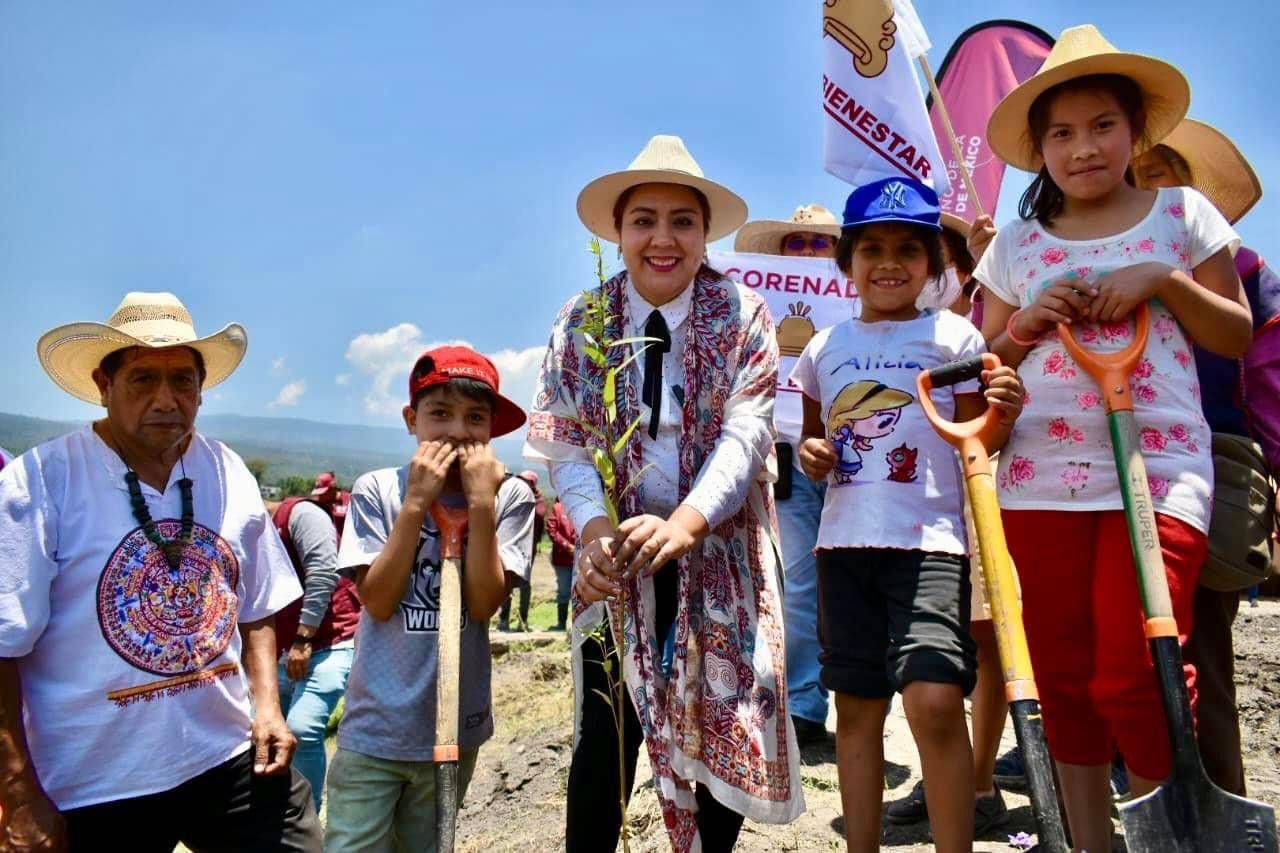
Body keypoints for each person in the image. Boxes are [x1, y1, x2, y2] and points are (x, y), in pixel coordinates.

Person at [975, 25, 1252, 853]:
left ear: (1137, 133)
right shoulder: (1015, 244)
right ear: (1038, 151)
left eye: (1101, 125)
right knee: (1062, 680)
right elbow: (986, 357)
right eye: (1060, 133)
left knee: (1135, 672)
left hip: (1157, 467)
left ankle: (1172, 837)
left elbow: (1234, 333)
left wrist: (1161, 279)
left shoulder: (1181, 214)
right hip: (1036, 477)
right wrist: (1024, 322)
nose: (1082, 147)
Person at [525, 134, 802, 852]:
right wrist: (592, 532)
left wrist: (686, 521)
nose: (662, 237)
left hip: (719, 555)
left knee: (724, 722)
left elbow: (747, 433)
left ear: (705, 234)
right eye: (643, 219)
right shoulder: (582, 323)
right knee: (605, 732)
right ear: (618, 232)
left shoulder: (744, 315)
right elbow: (571, 442)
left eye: (683, 220)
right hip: (615, 560)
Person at [0, 291, 320, 851]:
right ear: (104, 385)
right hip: (94, 784)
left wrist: (267, 704)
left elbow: (259, 603)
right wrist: (18, 791)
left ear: (201, 390)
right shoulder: (40, 483)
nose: (166, 400)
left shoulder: (225, 469)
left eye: (183, 381)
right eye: (143, 379)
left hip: (226, 756)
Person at [793, 177, 1024, 853]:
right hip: (843, 548)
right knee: (856, 709)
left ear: (933, 265)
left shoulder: (956, 336)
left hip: (932, 544)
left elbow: (982, 437)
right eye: (872, 249)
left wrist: (1004, 404)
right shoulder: (823, 349)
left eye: (907, 249)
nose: (888, 262)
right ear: (848, 262)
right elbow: (816, 441)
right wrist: (812, 453)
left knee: (933, 700)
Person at [324, 345, 535, 852]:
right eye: (440, 413)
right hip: (376, 728)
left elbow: (484, 604)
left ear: (493, 428)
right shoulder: (379, 490)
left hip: (455, 728)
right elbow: (377, 601)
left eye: (475, 417)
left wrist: (482, 505)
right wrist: (417, 503)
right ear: (410, 419)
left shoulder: (511, 498)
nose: (459, 431)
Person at [1132, 117, 1279, 797]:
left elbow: (1270, 379)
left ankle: (1223, 810)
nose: (1149, 186)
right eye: (1140, 175)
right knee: (1124, 650)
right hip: (1107, 466)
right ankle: (1141, 798)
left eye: (1165, 172)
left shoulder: (1244, 271)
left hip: (1211, 473)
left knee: (1204, 656)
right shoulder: (1102, 266)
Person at [886, 210, 1016, 837]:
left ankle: (983, 782)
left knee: (995, 640)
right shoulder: (900, 326)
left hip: (996, 485)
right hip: (927, 505)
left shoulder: (993, 304)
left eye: (939, 256)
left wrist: (992, 274)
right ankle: (951, 781)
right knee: (949, 645)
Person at [734, 203, 842, 748]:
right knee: (799, 581)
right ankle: (802, 700)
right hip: (788, 456)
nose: (808, 252)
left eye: (819, 243)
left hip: (858, 451)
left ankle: (855, 695)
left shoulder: (863, 301)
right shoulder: (757, 310)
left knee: (851, 580)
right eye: (797, 243)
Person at [272, 471, 364, 813]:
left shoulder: (303, 515)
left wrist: (302, 638)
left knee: (302, 727)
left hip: (331, 636)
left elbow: (324, 573)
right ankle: (274, 806)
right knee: (263, 725)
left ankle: (307, 812)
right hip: (284, 642)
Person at [499, 470, 545, 631]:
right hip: (508, 545)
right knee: (506, 580)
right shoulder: (510, 493)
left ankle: (522, 621)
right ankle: (503, 620)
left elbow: (539, 519)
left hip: (527, 549)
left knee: (524, 583)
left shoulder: (537, 501)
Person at [547, 496, 576, 631]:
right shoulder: (557, 508)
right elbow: (552, 530)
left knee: (580, 592)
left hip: (581, 558)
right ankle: (561, 624)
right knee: (564, 591)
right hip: (562, 559)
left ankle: (578, 626)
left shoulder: (581, 507)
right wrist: (567, 546)